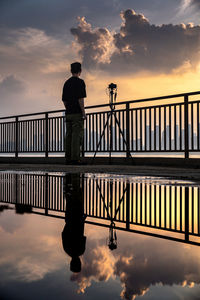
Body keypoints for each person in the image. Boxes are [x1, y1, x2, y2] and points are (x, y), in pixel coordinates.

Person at [62, 62, 87, 164]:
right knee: (76, 135)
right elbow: (80, 99)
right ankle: (75, 158)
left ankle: (68, 158)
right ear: (80, 71)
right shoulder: (80, 82)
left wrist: (68, 108)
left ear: (71, 71)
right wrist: (83, 112)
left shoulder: (66, 83)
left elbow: (64, 100)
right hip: (77, 113)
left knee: (69, 135)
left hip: (68, 113)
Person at [62, 174, 86, 273]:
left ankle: (76, 177)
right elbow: (63, 234)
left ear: (79, 262)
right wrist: (68, 223)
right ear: (71, 262)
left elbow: (82, 232)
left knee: (78, 196)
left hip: (78, 218)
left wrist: (83, 220)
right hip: (69, 218)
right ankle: (69, 178)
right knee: (70, 197)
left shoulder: (81, 251)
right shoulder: (67, 250)